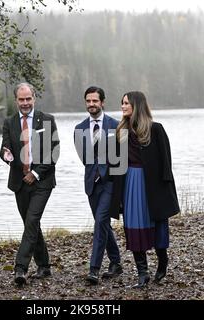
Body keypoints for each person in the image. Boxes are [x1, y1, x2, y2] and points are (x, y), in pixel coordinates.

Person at [114, 91, 180, 288]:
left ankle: (162, 262)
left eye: (126, 103)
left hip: (153, 186)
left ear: (137, 105)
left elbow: (166, 163)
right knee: (133, 227)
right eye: (122, 103)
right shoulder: (121, 131)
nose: (123, 106)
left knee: (158, 225)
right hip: (130, 184)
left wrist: (166, 191)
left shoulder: (156, 129)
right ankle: (142, 273)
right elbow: (117, 165)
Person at [0, 82, 60, 285]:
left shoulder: (47, 120)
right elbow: (4, 149)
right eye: (21, 99)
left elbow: (54, 153)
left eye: (28, 99)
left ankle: (20, 268)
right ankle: (44, 266)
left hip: (42, 180)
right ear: (16, 100)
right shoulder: (9, 122)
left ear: (34, 98)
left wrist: (35, 173)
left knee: (32, 221)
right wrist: (6, 155)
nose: (25, 103)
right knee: (30, 224)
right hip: (19, 182)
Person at [74, 86, 122, 285]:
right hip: (91, 185)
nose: (91, 104)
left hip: (110, 183)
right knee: (103, 223)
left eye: (95, 101)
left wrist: (120, 186)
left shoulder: (117, 125)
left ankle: (94, 269)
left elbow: (123, 158)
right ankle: (116, 262)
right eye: (88, 101)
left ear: (102, 102)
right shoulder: (79, 128)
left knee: (100, 221)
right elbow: (84, 158)